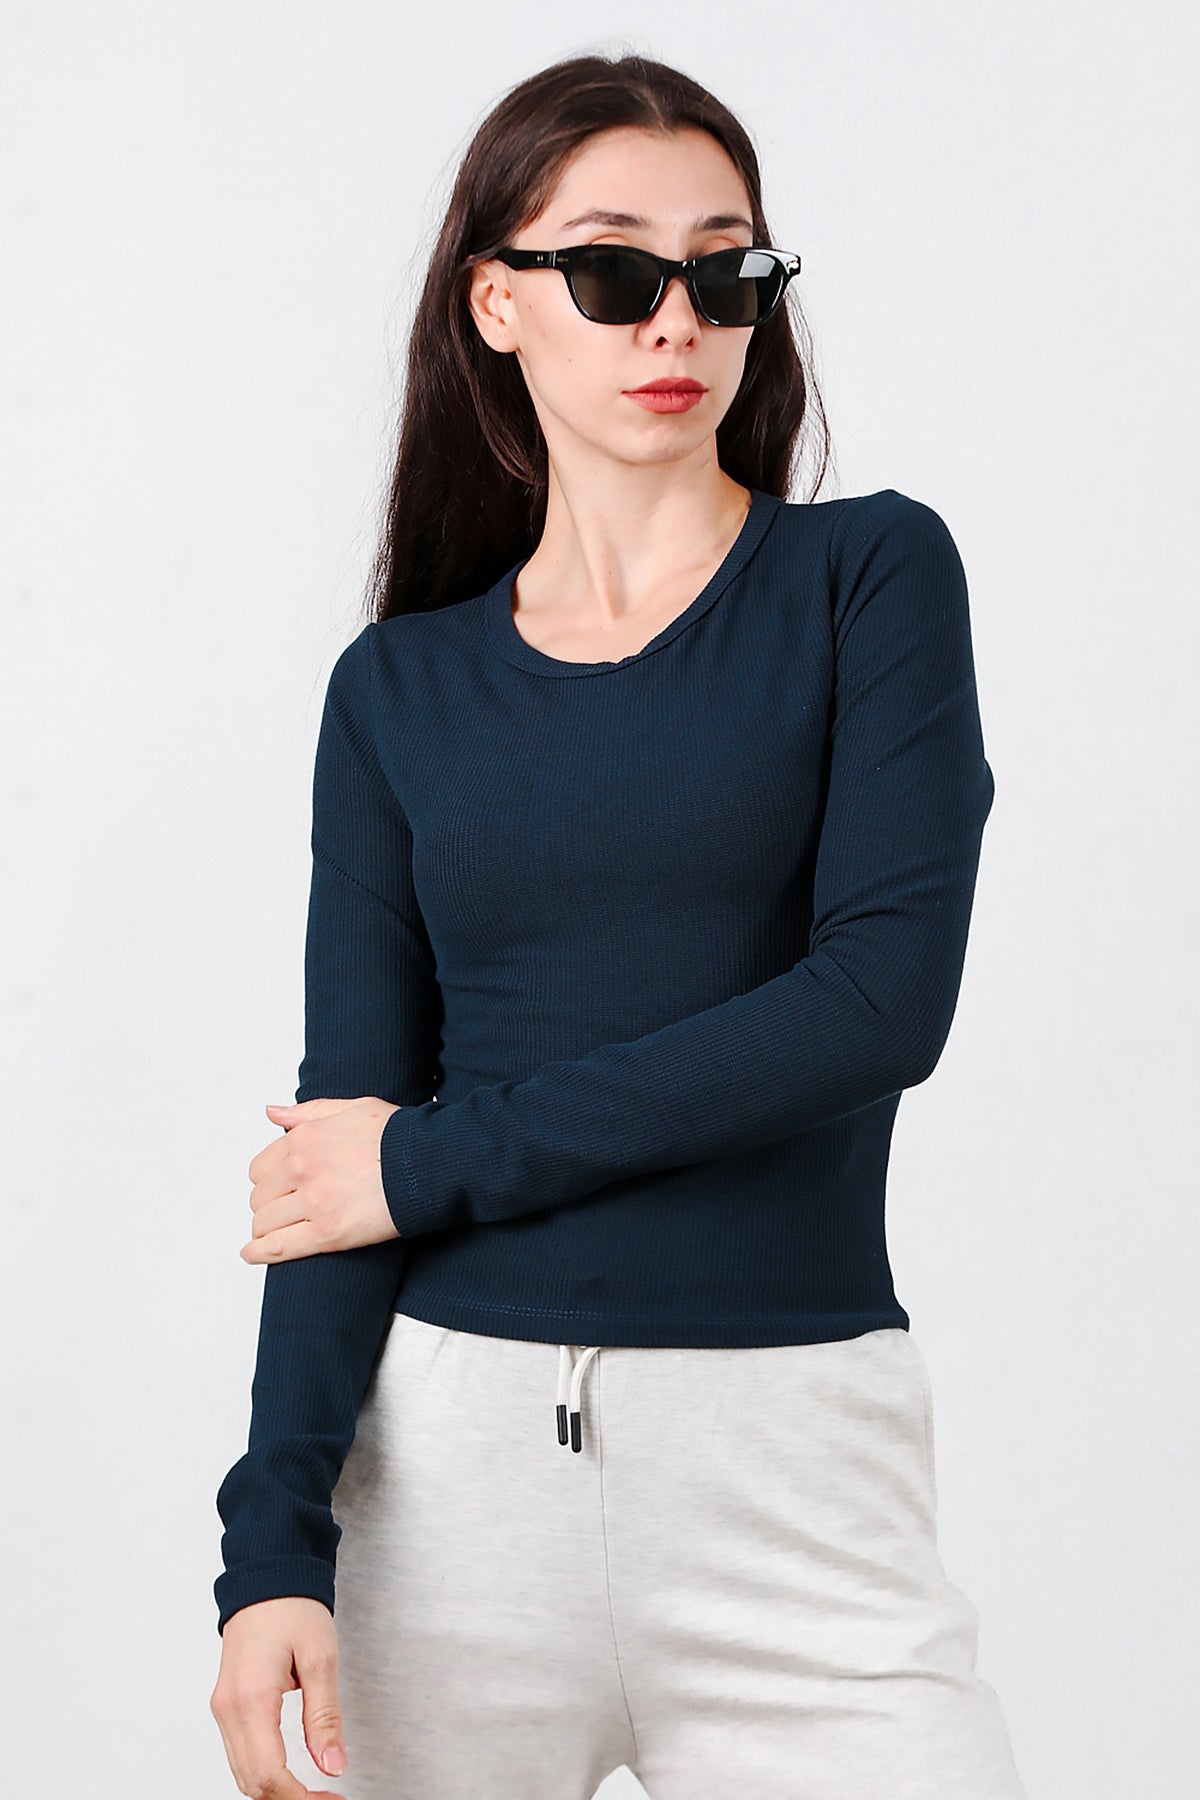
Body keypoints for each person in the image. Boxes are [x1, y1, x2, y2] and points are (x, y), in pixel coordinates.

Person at [209, 50, 1028, 1800]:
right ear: (497, 303)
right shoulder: (399, 691)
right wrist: (271, 1546)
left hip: (793, 1478)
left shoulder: (867, 582)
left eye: (726, 271)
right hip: (445, 1497)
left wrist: (429, 1162)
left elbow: (877, 1005)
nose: (677, 320)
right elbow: (339, 1143)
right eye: (612, 269)